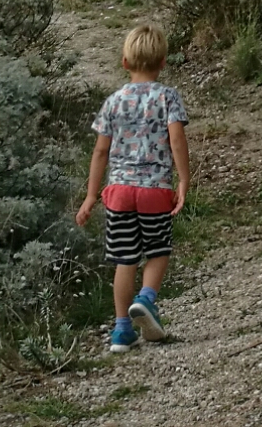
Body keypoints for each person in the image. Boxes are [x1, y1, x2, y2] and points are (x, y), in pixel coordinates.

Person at [76, 22, 190, 353]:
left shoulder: (113, 101)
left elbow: (100, 151)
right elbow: (177, 140)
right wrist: (183, 180)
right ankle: (146, 299)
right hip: (155, 190)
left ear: (124, 62)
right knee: (158, 250)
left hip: (119, 193)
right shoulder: (168, 96)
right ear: (163, 62)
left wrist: (91, 195)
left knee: (125, 260)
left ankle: (122, 331)